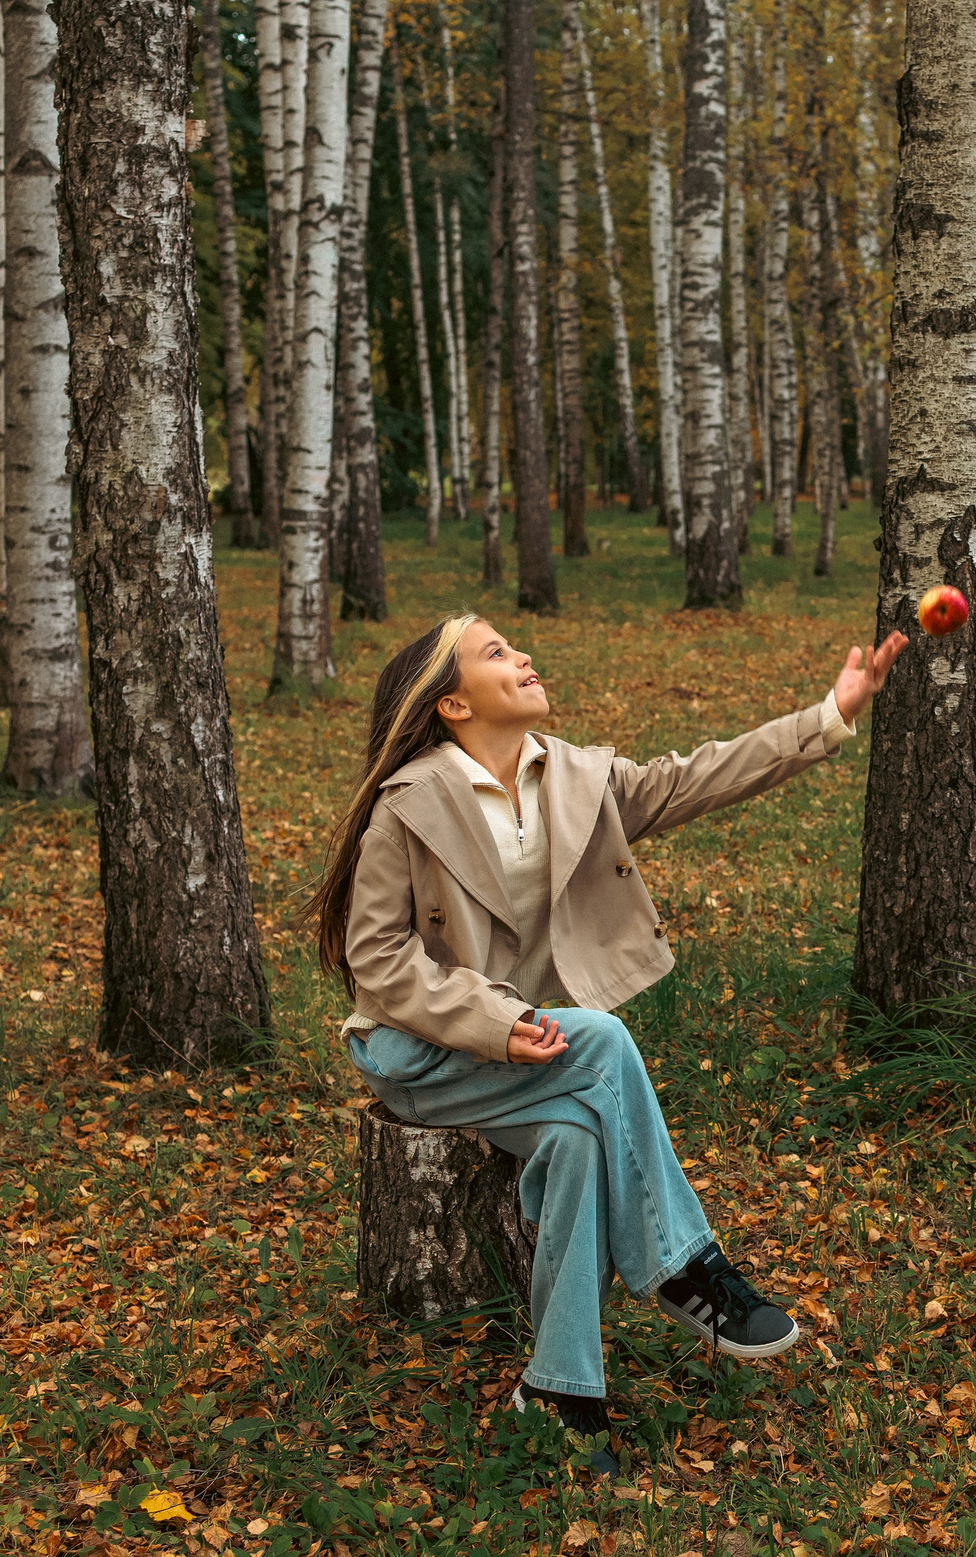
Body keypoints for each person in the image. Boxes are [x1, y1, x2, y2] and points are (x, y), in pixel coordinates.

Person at [308, 613, 908, 1471]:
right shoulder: (410, 805)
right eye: (494, 652)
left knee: (580, 1136)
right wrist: (495, 1022)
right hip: (422, 1052)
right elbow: (376, 960)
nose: (520, 657)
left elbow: (699, 776)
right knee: (604, 1042)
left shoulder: (576, 778)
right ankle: (685, 1266)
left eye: (514, 645)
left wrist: (831, 714)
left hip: (525, 1055)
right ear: (451, 705)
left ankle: (557, 1391)